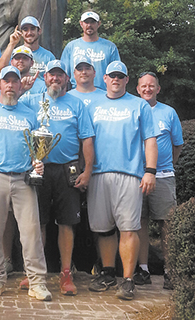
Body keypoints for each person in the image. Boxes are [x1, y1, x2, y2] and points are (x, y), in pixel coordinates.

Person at [0, 66, 52, 301]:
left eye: (15, 81)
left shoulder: (30, 114)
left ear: (19, 85)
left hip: (24, 179)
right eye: (7, 81)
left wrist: (38, 162)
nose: (11, 85)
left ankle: (37, 282)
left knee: (31, 233)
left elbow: (38, 149)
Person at [86, 61, 158, 301]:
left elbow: (150, 139)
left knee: (128, 228)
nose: (116, 79)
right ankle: (107, 273)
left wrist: (150, 171)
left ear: (127, 80)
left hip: (130, 174)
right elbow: (86, 141)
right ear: (104, 79)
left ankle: (127, 280)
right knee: (104, 229)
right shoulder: (93, 106)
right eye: (112, 75)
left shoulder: (139, 105)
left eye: (120, 76)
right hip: (98, 174)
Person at [23, 59, 95, 295]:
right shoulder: (31, 101)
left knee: (67, 222)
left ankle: (66, 273)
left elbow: (87, 139)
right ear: (45, 78)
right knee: (38, 222)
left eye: (59, 75)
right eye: (51, 75)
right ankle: (35, 273)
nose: (55, 79)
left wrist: (87, 171)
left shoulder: (77, 104)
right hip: (39, 168)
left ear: (67, 79)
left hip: (68, 169)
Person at [134, 72, 183, 289]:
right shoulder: (132, 109)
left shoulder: (169, 112)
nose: (147, 89)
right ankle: (143, 270)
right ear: (137, 89)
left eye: (151, 86)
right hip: (136, 176)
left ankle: (170, 271)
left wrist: (164, 166)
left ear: (158, 89)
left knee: (167, 224)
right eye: (143, 86)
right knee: (140, 223)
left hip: (163, 176)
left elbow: (177, 145)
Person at [61, 11, 120, 89]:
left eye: (92, 22)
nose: (89, 25)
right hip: (77, 94)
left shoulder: (110, 47)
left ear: (98, 24)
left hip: (103, 95)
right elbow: (64, 75)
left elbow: (117, 74)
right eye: (86, 22)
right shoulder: (71, 46)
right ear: (81, 24)